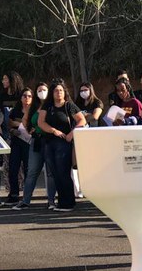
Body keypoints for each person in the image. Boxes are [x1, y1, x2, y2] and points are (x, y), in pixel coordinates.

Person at [38, 81, 87, 212]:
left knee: (63, 172)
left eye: (61, 90)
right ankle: (61, 202)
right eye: (56, 90)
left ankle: (68, 203)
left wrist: (72, 133)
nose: (58, 93)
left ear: (64, 92)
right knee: (55, 173)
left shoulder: (69, 105)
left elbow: (82, 120)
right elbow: (41, 122)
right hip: (49, 142)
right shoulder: (47, 106)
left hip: (64, 143)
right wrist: (53, 130)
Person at [13, 82, 57, 210]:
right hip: (36, 141)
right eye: (39, 90)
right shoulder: (33, 107)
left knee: (50, 172)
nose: (42, 92)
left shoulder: (53, 105)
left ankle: (51, 201)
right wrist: (29, 129)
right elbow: (24, 120)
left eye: (44, 90)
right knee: (32, 171)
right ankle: (25, 201)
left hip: (50, 141)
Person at [6, 87, 33, 203]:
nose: (27, 98)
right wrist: (13, 130)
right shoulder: (15, 111)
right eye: (24, 96)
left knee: (28, 169)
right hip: (16, 141)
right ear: (21, 98)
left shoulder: (34, 111)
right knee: (13, 168)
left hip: (29, 142)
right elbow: (9, 124)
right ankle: (14, 193)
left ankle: (27, 194)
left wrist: (19, 124)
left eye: (29, 96)